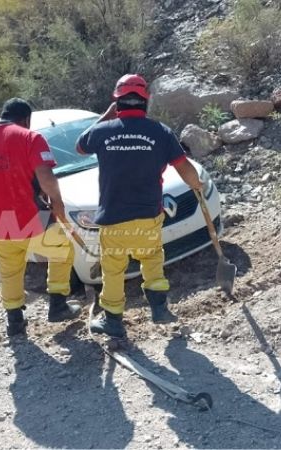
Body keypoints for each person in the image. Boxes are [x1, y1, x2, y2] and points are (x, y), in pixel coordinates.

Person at [76, 74, 203, 338]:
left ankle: (113, 321)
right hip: (148, 214)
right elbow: (184, 167)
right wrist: (198, 188)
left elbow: (80, 146)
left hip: (114, 217)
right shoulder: (160, 132)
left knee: (113, 270)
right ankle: (159, 309)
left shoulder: (102, 131)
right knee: (152, 259)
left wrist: (107, 116)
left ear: (117, 102)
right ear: (145, 102)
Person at [0, 98, 81, 337]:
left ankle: (15, 321)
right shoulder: (30, 138)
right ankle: (58, 305)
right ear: (26, 119)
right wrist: (57, 203)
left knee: (9, 270)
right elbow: (45, 175)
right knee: (62, 249)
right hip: (28, 215)